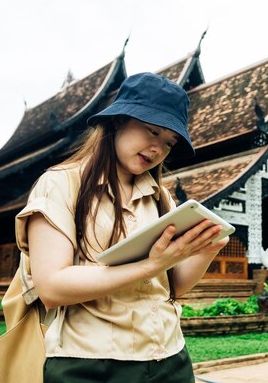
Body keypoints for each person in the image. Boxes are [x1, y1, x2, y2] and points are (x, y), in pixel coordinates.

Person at [15, 72, 228, 383]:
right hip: (90, 363)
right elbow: (52, 287)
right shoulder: (61, 184)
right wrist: (149, 265)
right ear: (117, 121)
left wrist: (204, 249)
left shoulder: (161, 199)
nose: (158, 149)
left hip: (170, 358)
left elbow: (171, 286)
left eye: (169, 143)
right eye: (152, 131)